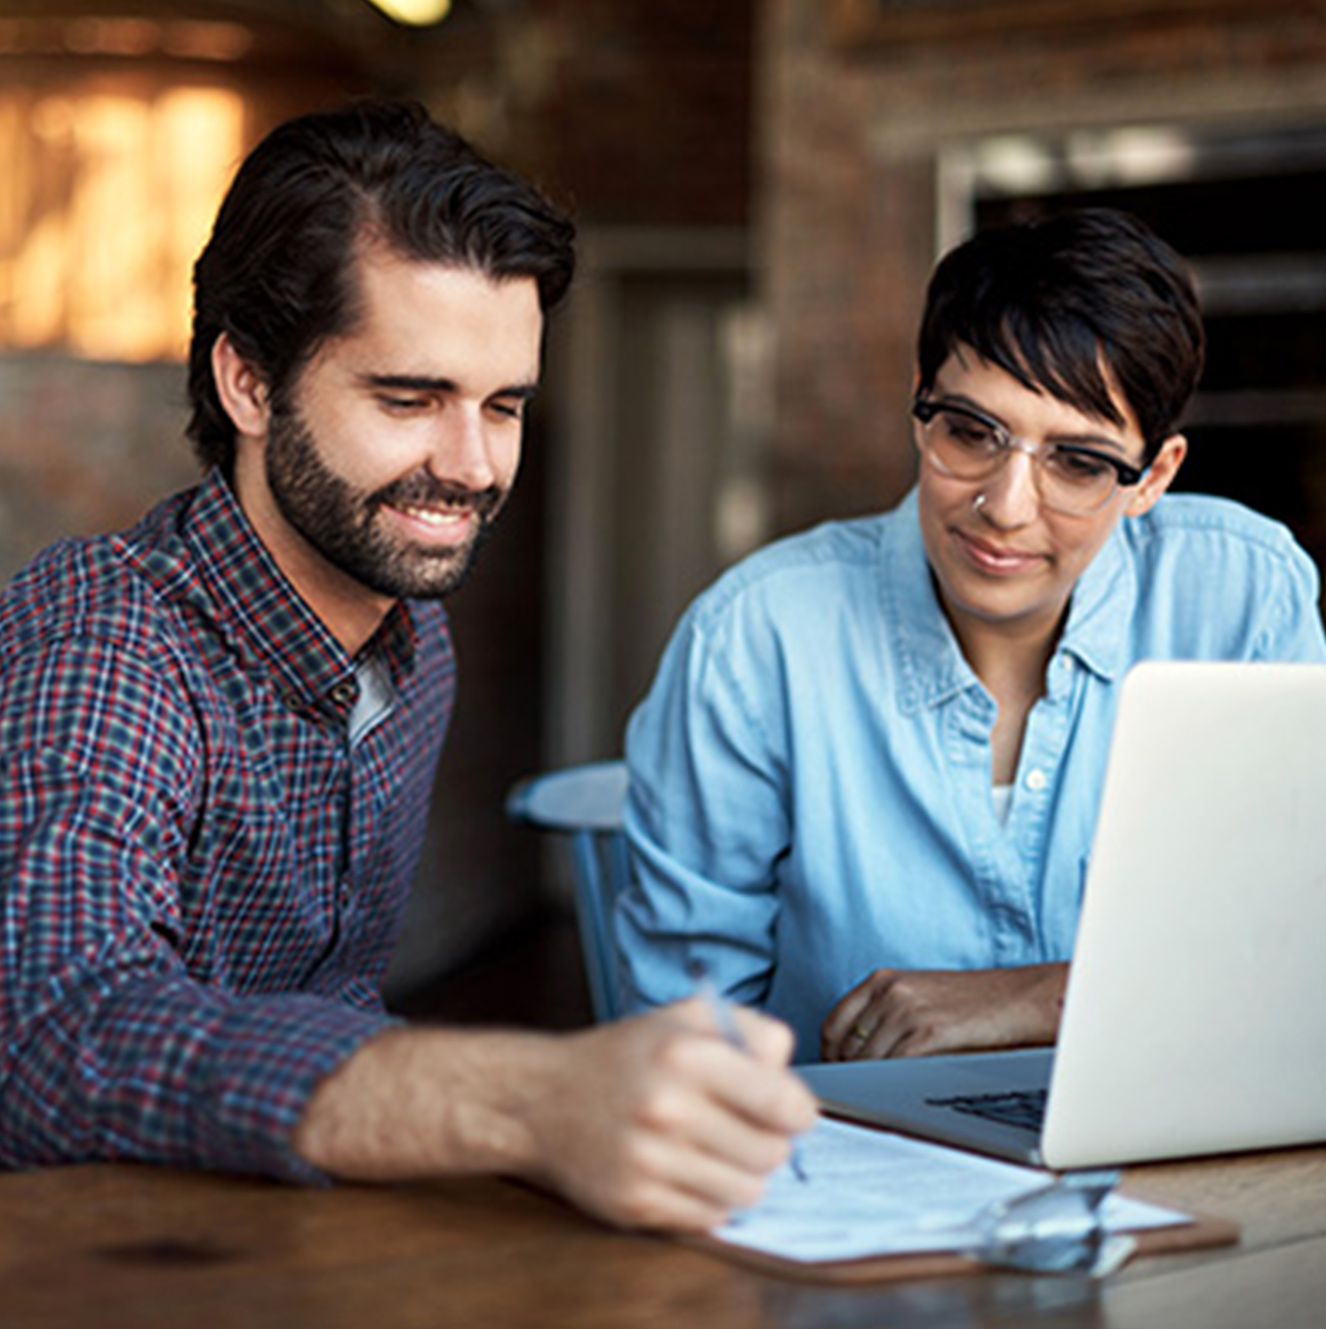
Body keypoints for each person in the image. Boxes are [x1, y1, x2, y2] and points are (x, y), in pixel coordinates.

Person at [0, 99, 815, 1233]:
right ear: (246, 382)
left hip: (285, 1242)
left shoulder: (411, 636)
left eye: (503, 407)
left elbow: (335, 1003)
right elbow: (55, 1036)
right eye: (408, 398)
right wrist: (528, 1098)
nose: (472, 470)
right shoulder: (111, 642)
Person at [615, 207, 1326, 1065]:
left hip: (1173, 1167)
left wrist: (1039, 997)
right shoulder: (755, 640)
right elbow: (678, 1036)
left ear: (1154, 477)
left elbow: (1292, 952)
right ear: (921, 404)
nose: (1006, 505)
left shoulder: (1240, 597)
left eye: (1080, 461)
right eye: (971, 431)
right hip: (849, 1171)